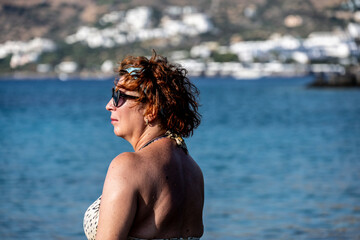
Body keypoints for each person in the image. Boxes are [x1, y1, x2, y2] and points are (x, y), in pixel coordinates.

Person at [83, 51, 204, 240]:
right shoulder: (194, 171)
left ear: (151, 109)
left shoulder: (128, 166)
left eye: (119, 96)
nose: (109, 105)